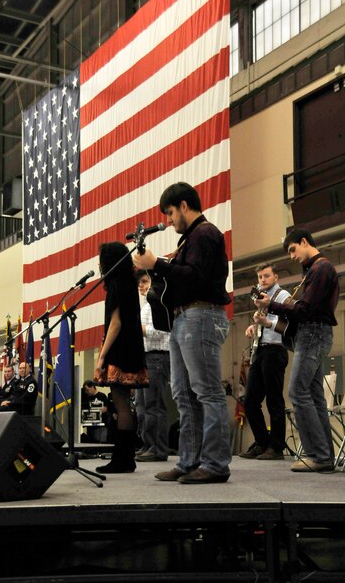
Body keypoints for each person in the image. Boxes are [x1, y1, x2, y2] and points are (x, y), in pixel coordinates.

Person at [133, 181, 231, 484]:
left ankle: (214, 463)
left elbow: (196, 279)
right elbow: (188, 276)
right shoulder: (192, 239)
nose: (169, 220)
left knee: (207, 392)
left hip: (200, 314)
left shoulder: (203, 234)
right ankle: (189, 461)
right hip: (185, 317)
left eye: (171, 213)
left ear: (185, 206)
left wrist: (158, 265)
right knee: (184, 395)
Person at [255, 228, 339, 472]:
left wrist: (272, 304)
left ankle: (318, 455)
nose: (292, 256)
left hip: (313, 333)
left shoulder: (320, 269)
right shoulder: (316, 269)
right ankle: (324, 456)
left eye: (293, 249)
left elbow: (306, 311)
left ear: (304, 242)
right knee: (313, 396)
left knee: (298, 392)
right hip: (314, 333)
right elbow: (305, 310)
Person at [94, 241, 149, 473]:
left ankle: (122, 459)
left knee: (120, 403)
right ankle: (126, 457)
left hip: (120, 349)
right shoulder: (128, 282)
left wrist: (101, 357)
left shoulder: (115, 284)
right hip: (132, 348)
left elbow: (115, 324)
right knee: (124, 402)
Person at [239, 263, 290, 461]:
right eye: (260, 277)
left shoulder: (283, 296)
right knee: (250, 401)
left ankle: (276, 448)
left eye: (266, 276)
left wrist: (267, 323)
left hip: (276, 350)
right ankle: (263, 442)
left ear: (276, 277)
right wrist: (253, 327)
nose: (262, 280)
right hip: (260, 350)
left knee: (274, 400)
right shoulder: (261, 299)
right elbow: (264, 324)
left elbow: (289, 325)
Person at [135, 270, 170, 462]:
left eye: (145, 281)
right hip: (146, 357)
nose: (141, 285)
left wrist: (136, 328)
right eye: (139, 282)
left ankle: (158, 448)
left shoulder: (158, 303)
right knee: (142, 406)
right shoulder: (145, 306)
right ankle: (147, 443)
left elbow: (159, 332)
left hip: (157, 357)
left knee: (154, 405)